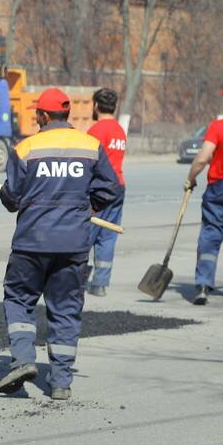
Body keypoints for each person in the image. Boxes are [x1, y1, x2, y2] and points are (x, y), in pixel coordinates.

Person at [0, 88, 121, 401]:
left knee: (20, 298)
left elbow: (11, 198)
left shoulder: (26, 149)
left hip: (31, 244)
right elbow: (110, 190)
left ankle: (24, 360)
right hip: (73, 245)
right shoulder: (91, 146)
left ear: (42, 115)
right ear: (67, 115)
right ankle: (61, 382)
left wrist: (13, 196)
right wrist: (84, 210)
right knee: (65, 309)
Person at [185, 87, 223, 305]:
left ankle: (203, 285)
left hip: (220, 189)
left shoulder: (218, 126)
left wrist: (191, 178)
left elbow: (202, 158)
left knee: (211, 235)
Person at [84, 88, 126, 297]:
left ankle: (79, 278)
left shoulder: (96, 130)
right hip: (118, 186)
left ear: (96, 106)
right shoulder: (120, 130)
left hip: (99, 188)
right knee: (108, 235)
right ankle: (100, 284)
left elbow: (88, 162)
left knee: (86, 232)